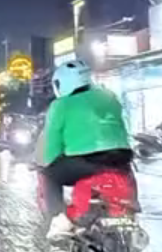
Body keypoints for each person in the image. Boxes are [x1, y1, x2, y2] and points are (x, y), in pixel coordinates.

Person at [36, 59, 134, 242]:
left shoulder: (61, 105)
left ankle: (60, 221)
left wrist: (45, 162)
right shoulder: (109, 96)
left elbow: (52, 143)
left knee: (48, 174)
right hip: (122, 157)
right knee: (124, 175)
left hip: (86, 162)